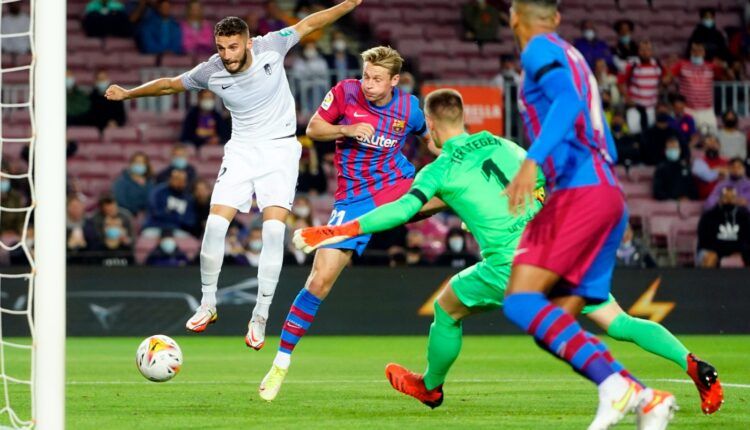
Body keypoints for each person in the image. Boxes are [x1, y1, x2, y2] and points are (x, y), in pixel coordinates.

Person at [293, 88, 722, 417]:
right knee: (618, 320)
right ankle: (694, 364)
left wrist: (339, 229)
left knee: (447, 308)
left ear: (433, 126)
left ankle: (431, 387)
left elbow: (403, 209)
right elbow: (537, 184)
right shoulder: (503, 144)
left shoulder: (440, 168)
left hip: (514, 263)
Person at [105, 1, 363, 347]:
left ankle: (260, 315)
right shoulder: (212, 70)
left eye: (233, 47)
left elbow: (310, 22)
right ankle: (208, 303)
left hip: (279, 149)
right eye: (221, 48)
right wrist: (128, 93)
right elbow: (169, 84)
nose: (227, 54)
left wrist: (347, 4)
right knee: (214, 225)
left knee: (273, 232)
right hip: (241, 149)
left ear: (248, 42)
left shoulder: (272, 45)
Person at [504, 2, 673, 427]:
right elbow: (603, 137)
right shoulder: (575, 55)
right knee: (555, 320)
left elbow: (567, 100)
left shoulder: (537, 50)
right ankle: (645, 397)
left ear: (514, 18)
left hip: (580, 192)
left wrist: (532, 161)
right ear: (557, 17)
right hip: (608, 192)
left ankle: (617, 388)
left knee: (522, 302)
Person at [258, 45, 436, 401]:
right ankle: (281, 362)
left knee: (449, 187)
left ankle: (474, 216)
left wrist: (449, 154)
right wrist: (349, 128)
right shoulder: (345, 92)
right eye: (366, 75)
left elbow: (431, 139)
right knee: (319, 280)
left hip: (398, 186)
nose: (368, 84)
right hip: (354, 198)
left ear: (394, 81)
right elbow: (314, 128)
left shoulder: (409, 107)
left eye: (377, 79)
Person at [669, 42, 721, 133]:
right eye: (694, 50)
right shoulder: (681, 65)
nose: (697, 53)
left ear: (704, 52)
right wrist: (669, 66)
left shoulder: (711, 66)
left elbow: (728, 77)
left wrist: (723, 66)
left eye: (700, 50)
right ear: (690, 52)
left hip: (706, 110)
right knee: (685, 136)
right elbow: (666, 80)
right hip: (688, 109)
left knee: (711, 137)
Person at [698, 186, 750, 267]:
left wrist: (741, 251)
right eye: (726, 198)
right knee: (709, 258)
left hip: (739, 249)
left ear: (736, 199)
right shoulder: (708, 216)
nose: (729, 201)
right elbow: (704, 240)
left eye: (732, 198)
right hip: (714, 249)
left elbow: (747, 238)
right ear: (720, 199)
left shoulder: (745, 216)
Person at [619, 40, 662, 132]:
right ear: (638, 51)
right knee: (635, 132)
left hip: (651, 108)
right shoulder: (632, 65)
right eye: (642, 50)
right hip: (635, 107)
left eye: (648, 50)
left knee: (649, 134)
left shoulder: (657, 65)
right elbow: (621, 82)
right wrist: (627, 98)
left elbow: (665, 80)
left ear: (652, 51)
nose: (645, 52)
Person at [143, 169, 197, 237]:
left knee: (187, 239)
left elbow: (190, 220)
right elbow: (156, 212)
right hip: (156, 226)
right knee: (147, 235)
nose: (179, 182)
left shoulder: (188, 198)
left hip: (177, 229)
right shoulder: (158, 192)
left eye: (182, 180)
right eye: (176, 179)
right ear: (170, 179)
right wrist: (177, 216)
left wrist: (170, 214)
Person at [292, 42, 331, 117]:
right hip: (303, 89)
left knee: (316, 89)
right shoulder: (299, 62)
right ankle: (306, 112)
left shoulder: (321, 62)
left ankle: (317, 113)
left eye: (312, 48)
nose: (310, 50)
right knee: (307, 90)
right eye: (308, 48)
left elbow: (324, 77)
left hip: (319, 88)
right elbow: (297, 77)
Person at [112, 151, 154, 217]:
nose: (139, 165)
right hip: (126, 215)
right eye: (137, 162)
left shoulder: (150, 183)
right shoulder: (121, 182)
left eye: (142, 162)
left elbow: (150, 201)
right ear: (131, 164)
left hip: (145, 216)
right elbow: (120, 201)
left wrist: (143, 187)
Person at [692, 135, 729, 200]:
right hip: (705, 199)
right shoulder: (698, 162)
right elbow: (707, 176)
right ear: (704, 147)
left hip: (726, 199)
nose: (711, 145)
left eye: (714, 143)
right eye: (708, 144)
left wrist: (712, 170)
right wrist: (719, 170)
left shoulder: (727, 162)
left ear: (719, 145)